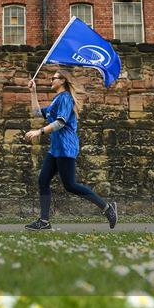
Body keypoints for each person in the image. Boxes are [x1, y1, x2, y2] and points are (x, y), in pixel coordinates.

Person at [24, 69, 118, 230]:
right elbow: (37, 113)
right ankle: (44, 221)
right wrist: (33, 92)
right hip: (56, 148)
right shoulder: (57, 100)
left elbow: (60, 122)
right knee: (43, 180)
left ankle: (107, 208)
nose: (51, 80)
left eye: (54, 78)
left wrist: (39, 132)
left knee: (70, 185)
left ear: (62, 81)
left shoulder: (66, 98)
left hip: (66, 147)